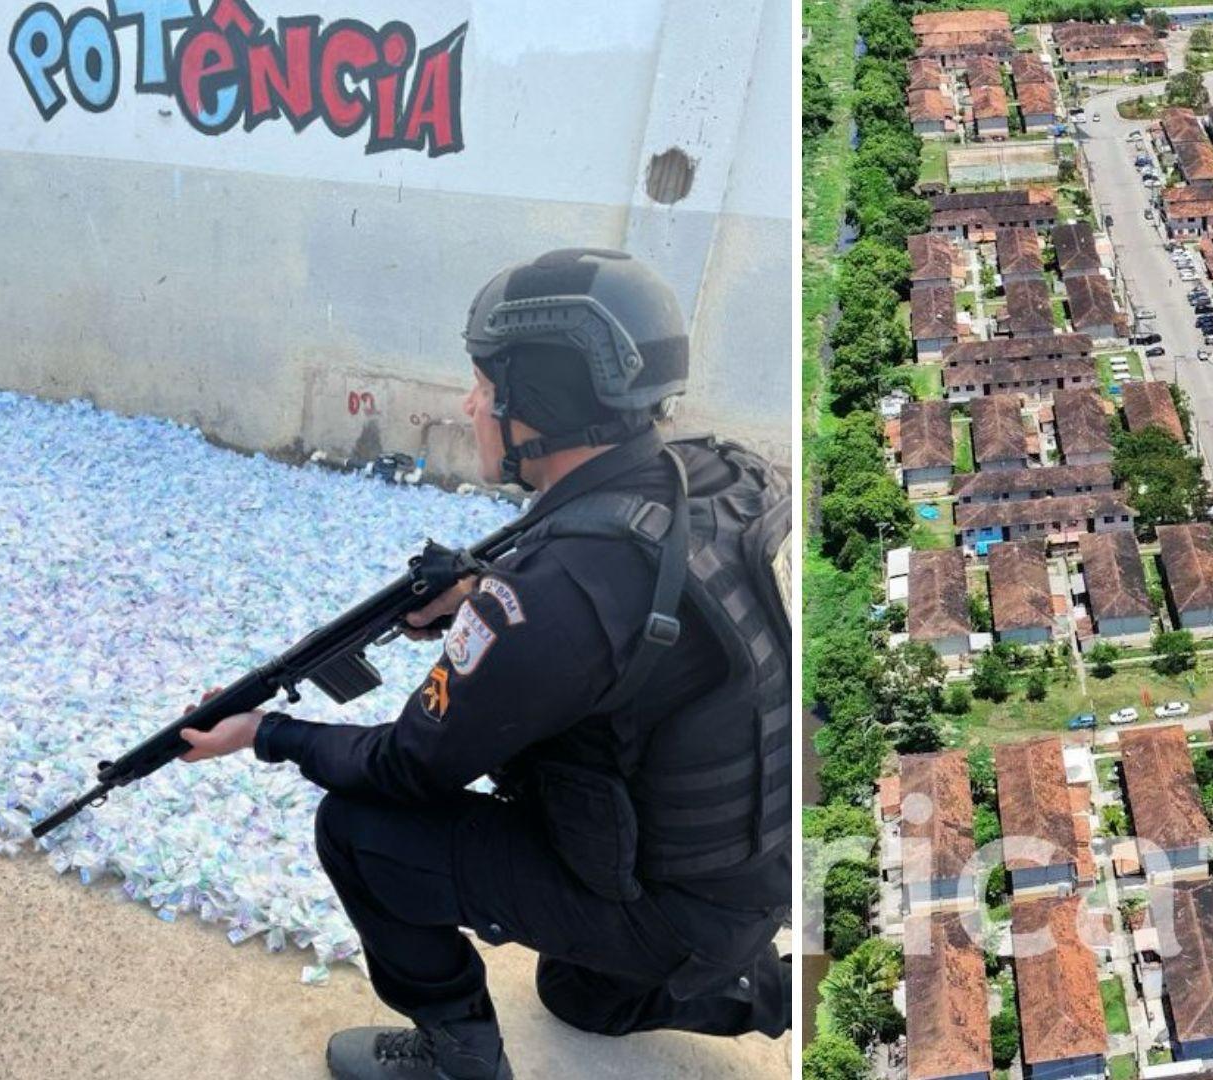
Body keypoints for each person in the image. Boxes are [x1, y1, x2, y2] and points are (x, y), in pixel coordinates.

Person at [176, 249, 792, 1080]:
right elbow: (617, 634)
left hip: (671, 904)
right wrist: (477, 590)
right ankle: (765, 987)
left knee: (360, 832)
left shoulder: (556, 594)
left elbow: (404, 769)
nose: (470, 404)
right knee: (578, 995)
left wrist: (267, 731)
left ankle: (456, 1060)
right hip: (742, 882)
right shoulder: (698, 479)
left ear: (532, 400)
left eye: (481, 384)